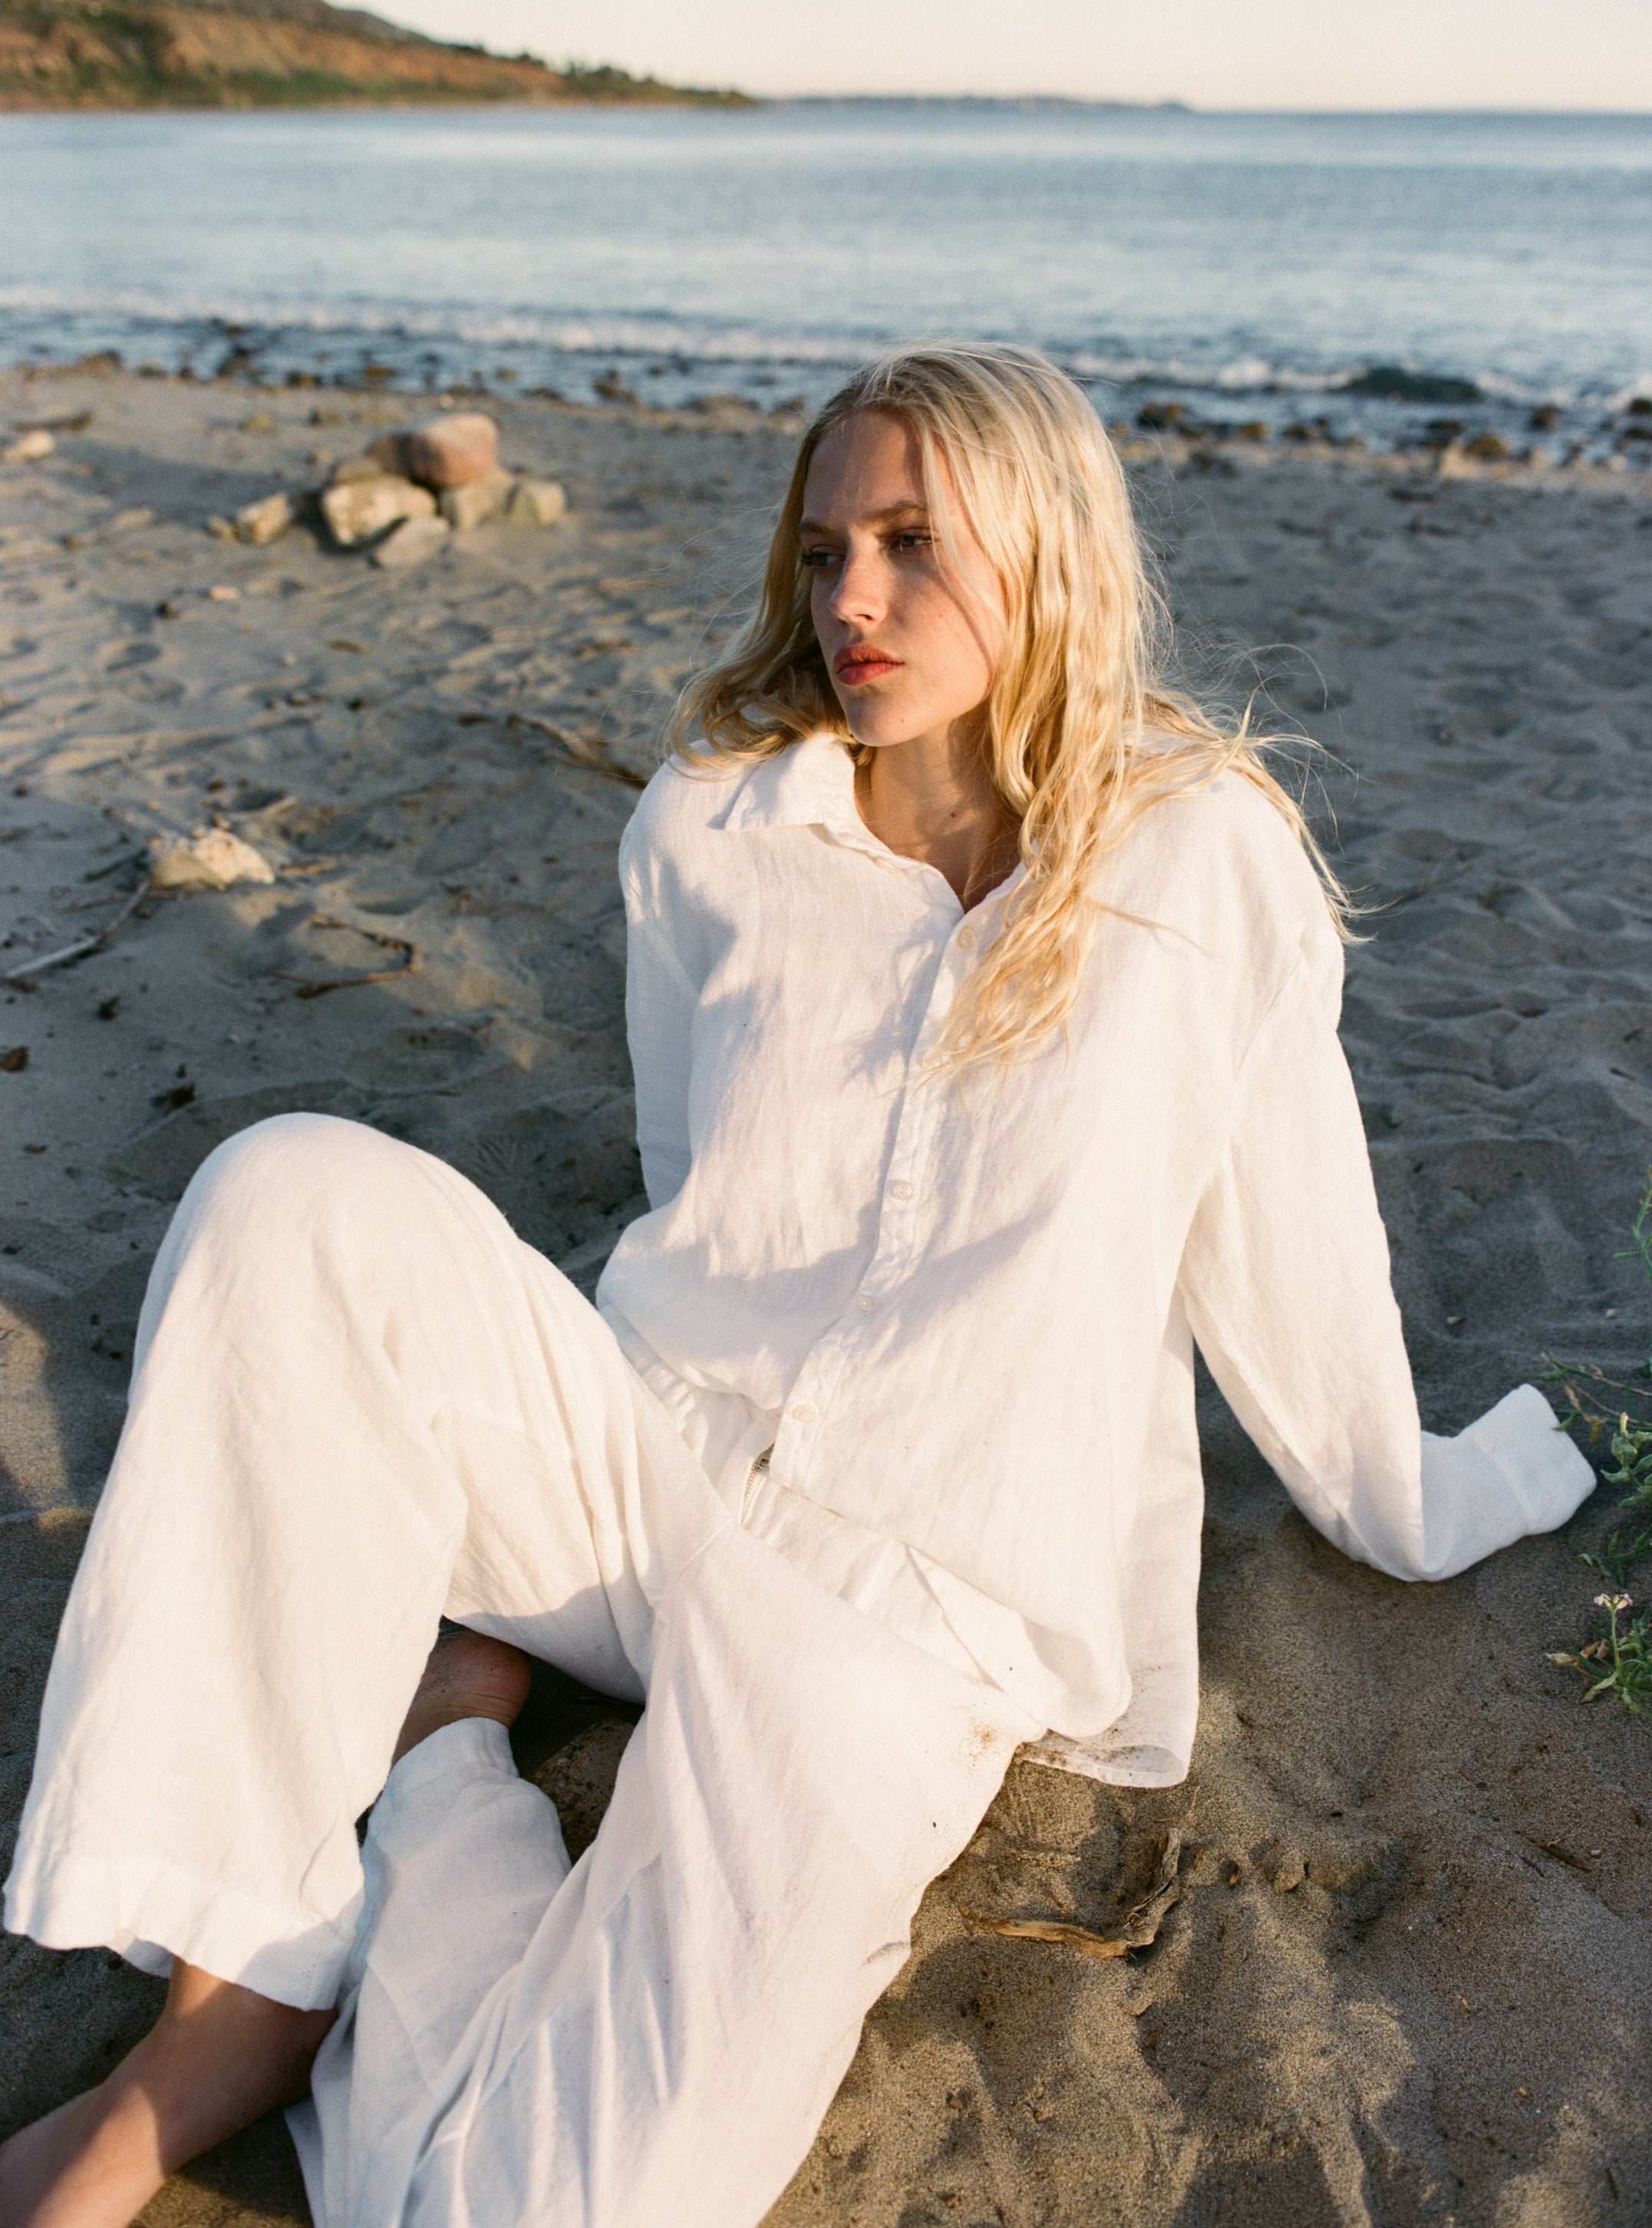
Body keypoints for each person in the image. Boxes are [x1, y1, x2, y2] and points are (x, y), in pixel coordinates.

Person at [0, 344, 1593, 2228]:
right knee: (285, 1192)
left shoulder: (1202, 860)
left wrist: (1418, 1494)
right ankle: (243, 1983)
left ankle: (442, 1753)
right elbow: (694, 1195)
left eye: (913, 544)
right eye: (827, 542)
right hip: (642, 1486)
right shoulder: (712, 819)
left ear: (1048, 549)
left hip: (907, 1626)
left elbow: (1298, 1252)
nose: (849, 599)